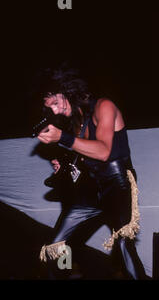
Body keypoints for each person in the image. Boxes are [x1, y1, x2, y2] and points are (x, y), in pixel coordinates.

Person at [35, 66, 147, 279]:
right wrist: (64, 166)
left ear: (68, 92)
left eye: (57, 103)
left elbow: (104, 152)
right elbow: (83, 156)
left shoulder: (104, 106)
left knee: (124, 245)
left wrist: (63, 139)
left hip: (117, 183)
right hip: (90, 188)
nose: (56, 111)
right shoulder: (73, 122)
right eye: (50, 108)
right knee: (54, 248)